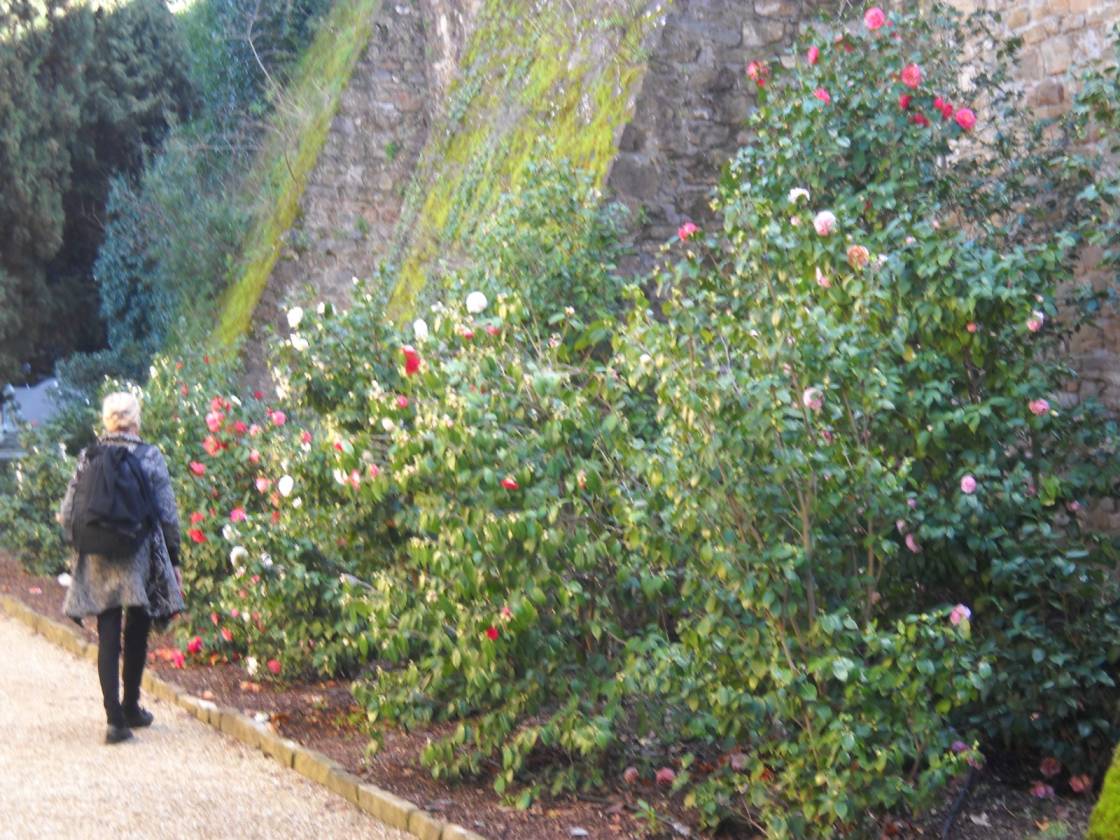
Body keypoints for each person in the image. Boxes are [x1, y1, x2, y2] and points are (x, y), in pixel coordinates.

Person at [60, 392, 185, 744]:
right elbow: (168, 515)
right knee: (138, 626)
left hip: (97, 552)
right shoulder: (149, 456)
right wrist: (173, 560)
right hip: (138, 552)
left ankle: (114, 720)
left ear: (106, 420)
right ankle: (132, 705)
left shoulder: (88, 456)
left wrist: (80, 545)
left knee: (108, 628)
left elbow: (68, 512)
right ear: (135, 420)